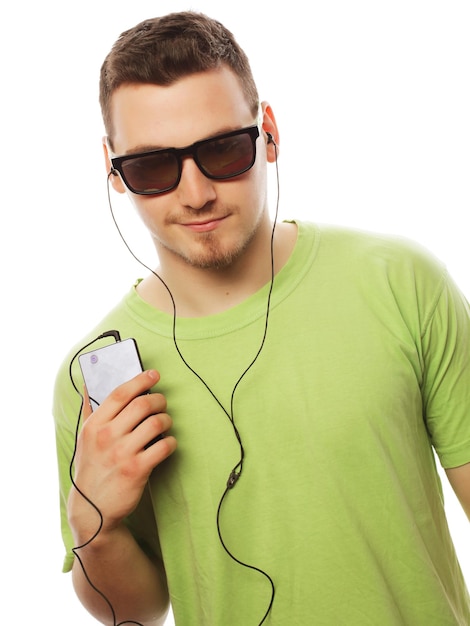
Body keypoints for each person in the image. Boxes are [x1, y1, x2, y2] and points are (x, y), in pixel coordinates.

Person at [53, 11, 470, 626]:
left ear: (268, 132)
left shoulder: (400, 282)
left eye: (221, 150)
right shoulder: (92, 379)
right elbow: (135, 612)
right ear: (113, 170)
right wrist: (96, 523)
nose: (194, 193)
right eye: (152, 167)